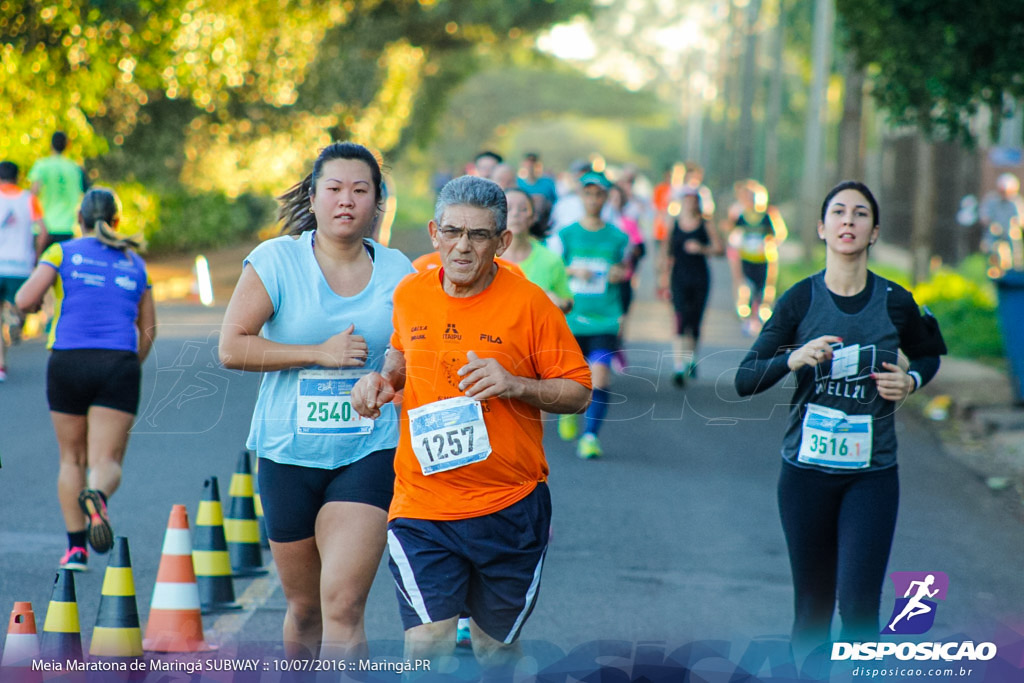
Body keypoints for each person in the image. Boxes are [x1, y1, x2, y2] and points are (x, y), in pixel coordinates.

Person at [350, 175, 591, 675]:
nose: (463, 246)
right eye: (453, 232)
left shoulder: (531, 305)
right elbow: (400, 351)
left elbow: (578, 391)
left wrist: (516, 385)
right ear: (434, 233)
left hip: (509, 506)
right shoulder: (412, 292)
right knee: (428, 644)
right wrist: (381, 380)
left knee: (492, 650)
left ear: (502, 242)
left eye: (478, 235)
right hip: (423, 503)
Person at [734, 180, 946, 658]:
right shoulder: (799, 301)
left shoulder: (895, 301)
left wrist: (910, 382)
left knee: (857, 606)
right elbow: (745, 379)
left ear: (873, 233)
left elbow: (930, 354)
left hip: (871, 477)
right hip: (804, 475)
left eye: (860, 214)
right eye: (838, 213)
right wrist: (792, 359)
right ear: (822, 228)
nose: (848, 221)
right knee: (811, 607)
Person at [218, 142, 414, 660]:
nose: (346, 200)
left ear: (377, 202)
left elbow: (415, 352)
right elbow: (232, 346)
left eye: (360, 190)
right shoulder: (276, 259)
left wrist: (390, 377)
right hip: (288, 453)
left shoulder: (400, 271)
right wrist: (318, 353)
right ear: (313, 194)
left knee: (344, 604)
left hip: (369, 450)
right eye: (334, 189)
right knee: (305, 609)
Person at [15, 187, 156, 571]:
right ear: (116, 221)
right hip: (118, 363)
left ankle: (76, 550)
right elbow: (148, 331)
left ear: (78, 220)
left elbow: (26, 299)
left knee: (70, 458)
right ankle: (96, 495)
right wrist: (130, 364)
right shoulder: (136, 264)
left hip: (68, 361)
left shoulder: (62, 253)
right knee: (105, 460)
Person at [557, 171, 630, 459]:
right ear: (580, 196)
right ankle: (569, 410)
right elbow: (554, 271)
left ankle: (590, 436)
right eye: (588, 193)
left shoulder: (618, 236)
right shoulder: (566, 235)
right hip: (573, 318)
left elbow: (626, 272)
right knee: (572, 379)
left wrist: (620, 274)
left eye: (599, 194)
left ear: (606, 197)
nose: (593, 199)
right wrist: (574, 271)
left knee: (600, 378)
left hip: (604, 319)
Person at [659, 188, 724, 387]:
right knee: (680, 318)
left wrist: (702, 248)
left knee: (694, 320)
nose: (690, 204)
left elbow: (720, 249)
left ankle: (691, 358)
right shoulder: (675, 224)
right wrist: (662, 278)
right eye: (686, 200)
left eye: (693, 201)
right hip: (678, 277)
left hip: (699, 277)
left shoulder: (706, 224)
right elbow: (666, 252)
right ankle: (679, 365)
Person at [0, 161, 44, 381]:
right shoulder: (29, 199)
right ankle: (15, 320)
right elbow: (43, 230)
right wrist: (37, 254)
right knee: (21, 305)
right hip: (21, 265)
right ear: (17, 177)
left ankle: (0, 365)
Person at [727, 179, 787, 335]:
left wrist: (768, 242)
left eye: (754, 197)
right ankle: (747, 319)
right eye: (748, 197)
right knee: (745, 288)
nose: (751, 200)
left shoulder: (768, 214)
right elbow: (732, 233)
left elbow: (780, 234)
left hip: (764, 259)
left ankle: (760, 319)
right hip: (746, 258)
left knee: (762, 291)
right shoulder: (742, 215)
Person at [501, 186, 573, 313]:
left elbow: (567, 302)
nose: (515, 214)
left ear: (533, 217)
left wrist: (557, 302)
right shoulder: (486, 257)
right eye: (508, 208)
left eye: (523, 209)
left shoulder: (551, 260)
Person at [28, 131, 87, 255]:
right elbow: (85, 195)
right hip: (67, 228)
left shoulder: (42, 165)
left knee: (41, 268)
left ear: (51, 144)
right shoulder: (75, 168)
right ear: (67, 145)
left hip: (44, 228)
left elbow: (32, 195)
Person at [979, 172, 1024, 270]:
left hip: (1010, 232)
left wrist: (1015, 224)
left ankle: (1016, 268)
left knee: (1014, 236)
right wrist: (991, 224)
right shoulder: (991, 200)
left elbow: (1021, 219)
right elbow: (984, 216)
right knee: (990, 240)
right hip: (995, 231)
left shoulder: (1016, 202)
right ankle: (991, 267)